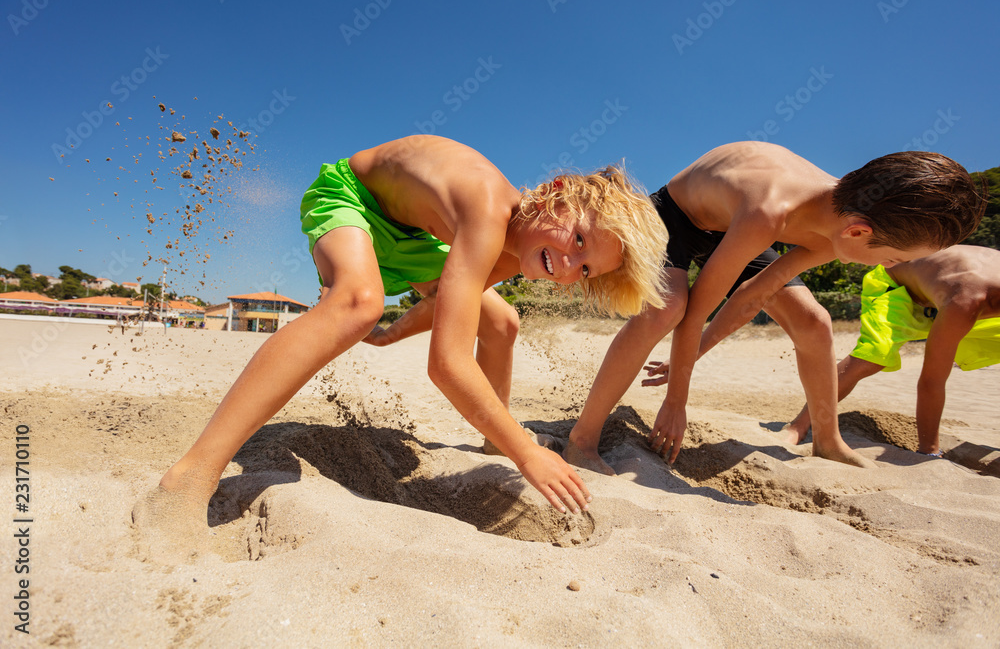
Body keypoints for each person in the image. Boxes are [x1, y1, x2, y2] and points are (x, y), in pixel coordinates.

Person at [133, 134, 668, 543]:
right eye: (577, 238)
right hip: (354, 200)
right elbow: (448, 364)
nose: (569, 262)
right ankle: (191, 475)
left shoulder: (512, 251)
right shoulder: (485, 207)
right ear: (554, 195)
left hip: (415, 240)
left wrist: (390, 337)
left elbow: (445, 304)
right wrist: (527, 451)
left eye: (586, 267)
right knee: (359, 303)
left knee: (502, 322)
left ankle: (492, 438)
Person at [564, 142, 984, 474]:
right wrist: (677, 399)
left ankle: (827, 439)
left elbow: (753, 294)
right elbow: (697, 311)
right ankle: (582, 440)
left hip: (730, 226)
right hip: (678, 214)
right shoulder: (769, 209)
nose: (888, 268)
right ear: (859, 232)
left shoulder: (835, 227)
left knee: (814, 321)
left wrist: (689, 357)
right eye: (891, 259)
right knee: (668, 307)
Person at [786, 245, 1000, 456]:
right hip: (897, 287)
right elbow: (931, 382)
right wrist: (930, 451)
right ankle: (799, 424)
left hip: (941, 293)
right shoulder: (965, 299)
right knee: (874, 356)